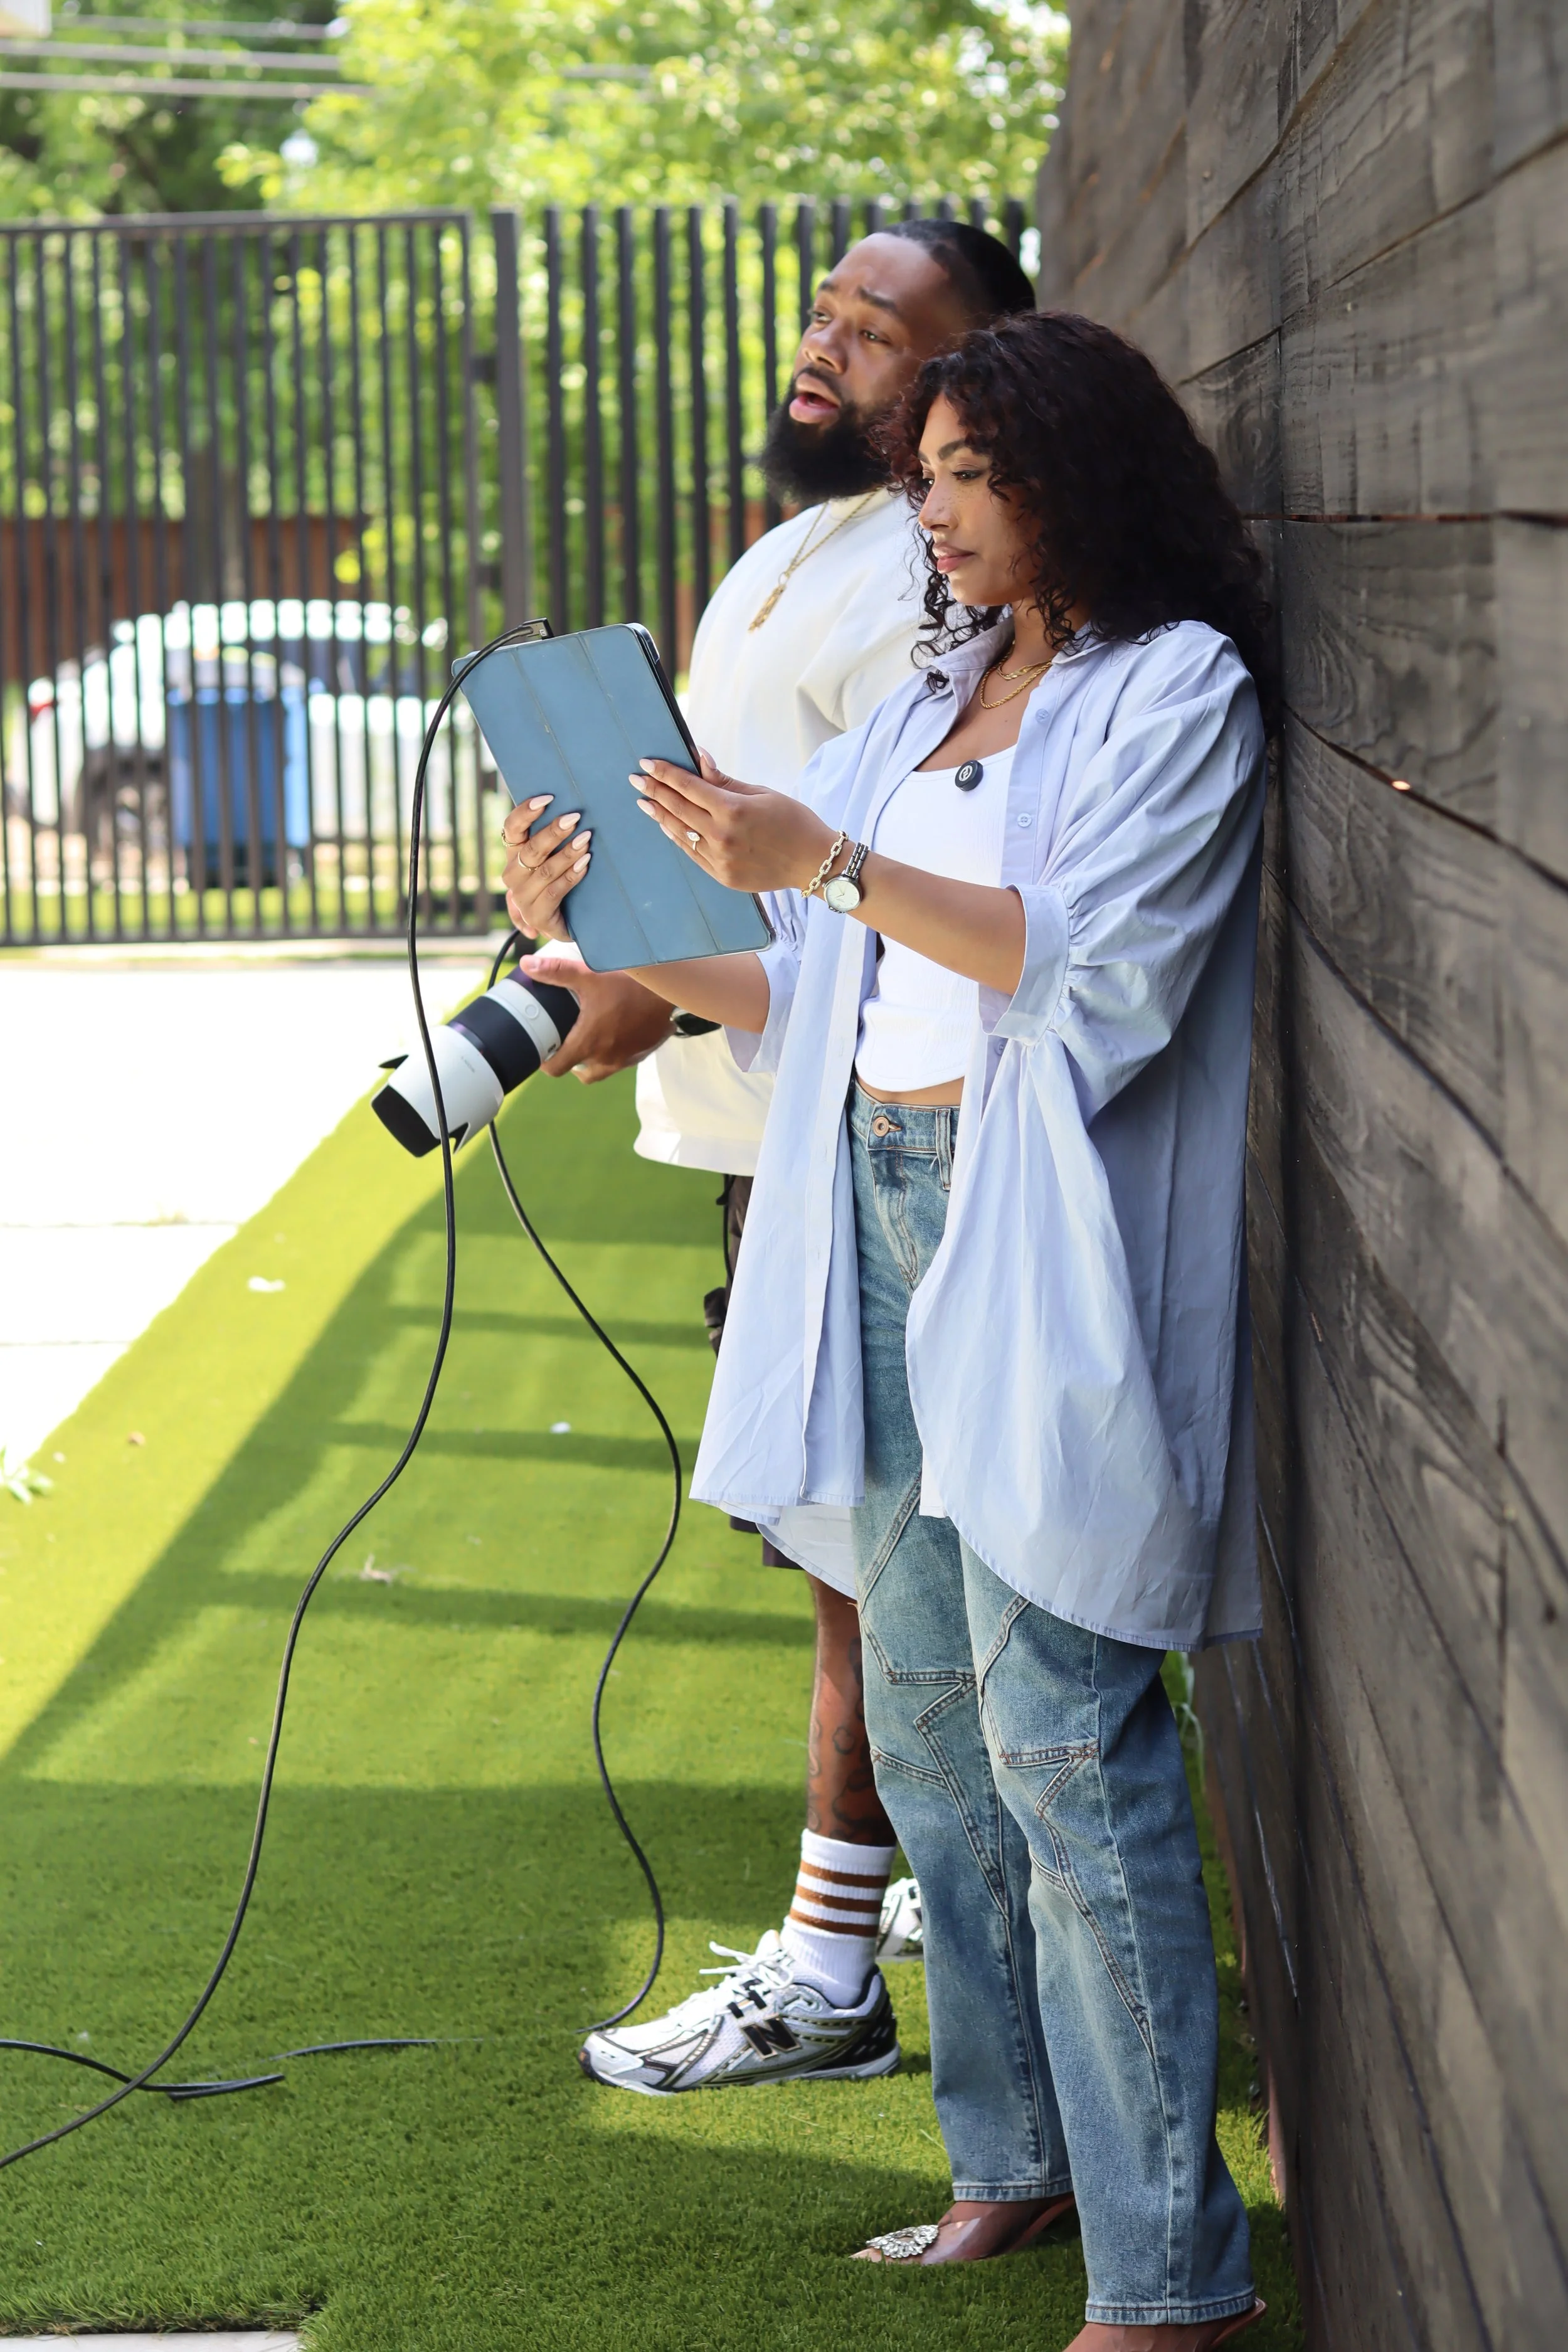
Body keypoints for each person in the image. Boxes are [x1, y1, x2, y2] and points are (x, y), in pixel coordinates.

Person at [531, 309, 1274, 2344]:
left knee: (1063, 1740)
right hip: (859, 1197)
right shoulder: (929, 696)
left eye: (968, 472)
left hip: (1028, 1231)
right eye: (923, 472)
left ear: (1077, 477)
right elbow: (783, 982)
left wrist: (832, 862)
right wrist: (604, 918)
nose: (931, 510)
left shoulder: (1173, 692)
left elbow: (1090, 975)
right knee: (938, 1744)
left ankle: (1172, 2271)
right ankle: (1007, 2166)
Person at [501, 220, 1036, 2094]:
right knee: (851, 1552)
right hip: (763, 1111)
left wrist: (662, 977)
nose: (829, 348)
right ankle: (884, 1907)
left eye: (881, 332)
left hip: (860, 1132)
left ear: (980, 366)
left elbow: (876, 884)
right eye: (825, 313)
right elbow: (732, 841)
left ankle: (826, 1971)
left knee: (863, 1557)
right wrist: (599, 938)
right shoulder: (808, 540)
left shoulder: (940, 577)